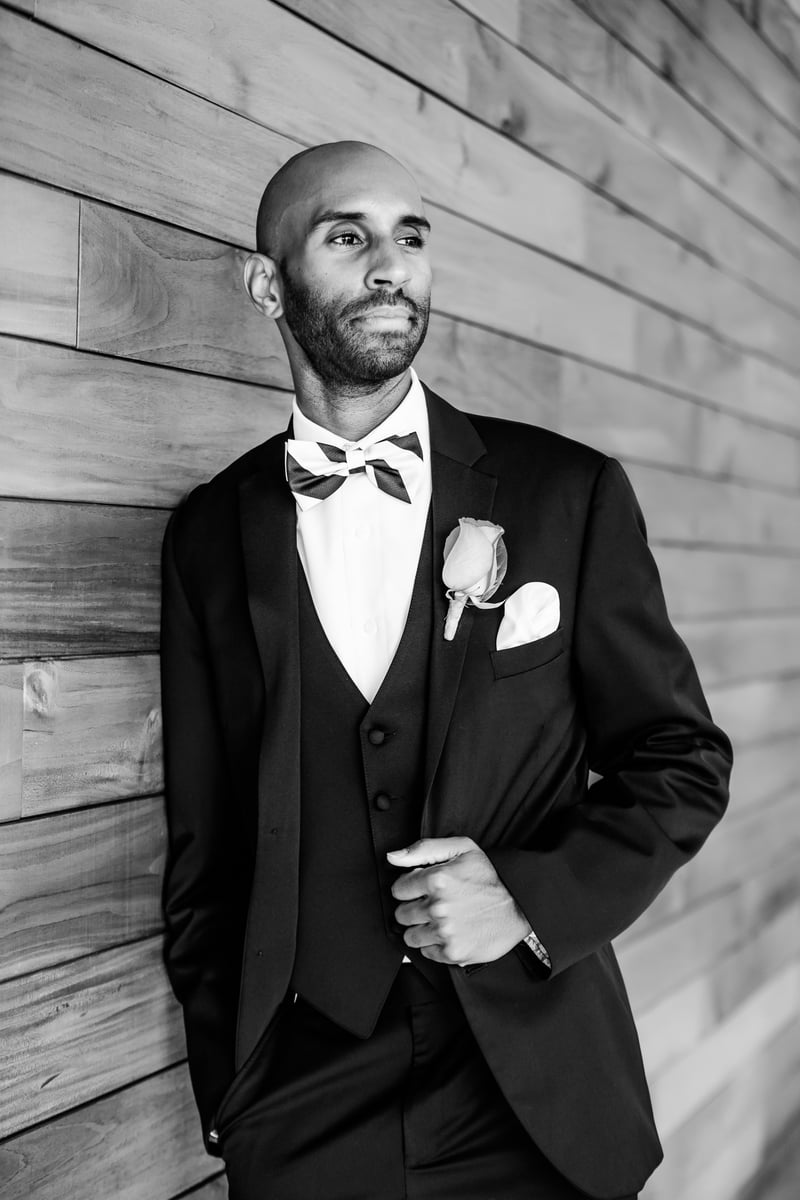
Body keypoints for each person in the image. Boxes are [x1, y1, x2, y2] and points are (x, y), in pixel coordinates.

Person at [160, 141, 732, 1200]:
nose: (392, 266)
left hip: (535, 1093)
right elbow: (205, 842)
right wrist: (232, 1087)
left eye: (410, 237)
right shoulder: (208, 536)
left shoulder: (564, 493)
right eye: (348, 237)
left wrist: (526, 901)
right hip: (305, 1100)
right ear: (267, 285)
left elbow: (680, 758)